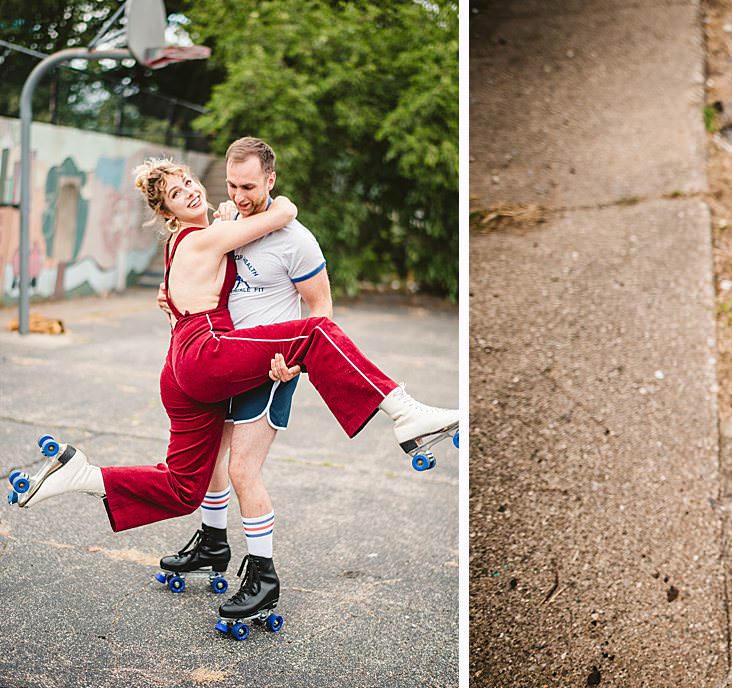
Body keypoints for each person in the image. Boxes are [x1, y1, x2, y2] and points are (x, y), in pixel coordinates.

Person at [12, 157, 459, 630]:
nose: (187, 190)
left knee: (186, 486)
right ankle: (401, 410)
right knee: (314, 334)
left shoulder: (190, 239)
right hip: (206, 352)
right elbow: (281, 215)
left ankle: (84, 475)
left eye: (188, 181)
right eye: (175, 193)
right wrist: (280, 202)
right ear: (167, 212)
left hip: (181, 366)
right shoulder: (206, 236)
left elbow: (195, 278)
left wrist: (224, 219)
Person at [152, 137, 334, 623]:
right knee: (213, 459)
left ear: (271, 180)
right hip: (227, 358)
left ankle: (264, 576)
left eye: (249, 186)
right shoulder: (230, 222)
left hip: (271, 366)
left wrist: (294, 364)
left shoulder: (296, 238)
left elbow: (321, 312)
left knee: (242, 471)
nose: (239, 195)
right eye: (231, 185)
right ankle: (213, 543)